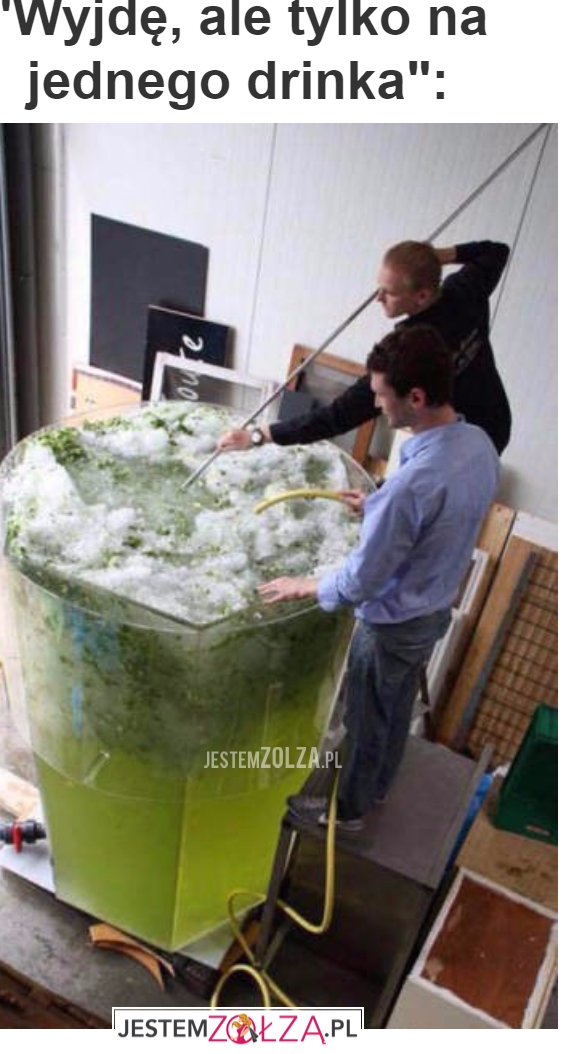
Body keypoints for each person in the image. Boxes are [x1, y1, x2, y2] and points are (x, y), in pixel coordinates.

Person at [257, 324, 500, 832]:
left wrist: (305, 584)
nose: (375, 404)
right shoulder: (477, 443)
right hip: (431, 610)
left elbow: (360, 581)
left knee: (365, 720)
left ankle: (347, 812)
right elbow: (437, 516)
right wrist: (379, 505)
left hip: (391, 624)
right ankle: (379, 786)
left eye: (381, 395)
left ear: (416, 397)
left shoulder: (410, 487)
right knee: (395, 706)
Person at [218, 240, 512, 456]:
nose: (378, 298)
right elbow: (496, 251)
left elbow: (339, 415)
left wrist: (260, 435)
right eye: (378, 288)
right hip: (498, 417)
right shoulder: (466, 289)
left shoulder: (410, 352)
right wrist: (437, 257)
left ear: (421, 296)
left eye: (389, 292)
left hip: (466, 440)